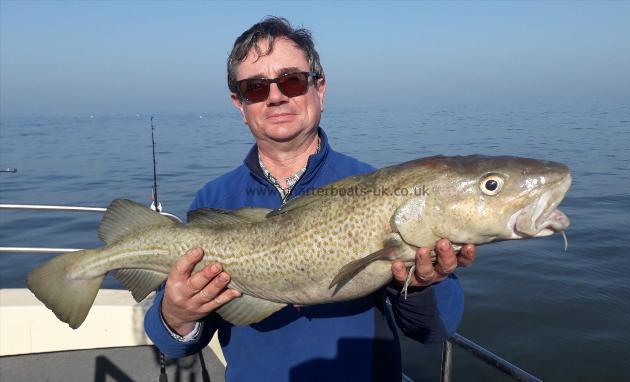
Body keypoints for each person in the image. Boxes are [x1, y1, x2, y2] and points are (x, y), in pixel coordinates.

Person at [144, 17, 476, 382]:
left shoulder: (377, 188)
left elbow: (432, 330)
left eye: (292, 80)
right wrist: (176, 313)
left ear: (320, 89)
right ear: (239, 105)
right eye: (255, 88)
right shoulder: (214, 199)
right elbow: (178, 343)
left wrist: (418, 283)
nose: (276, 96)